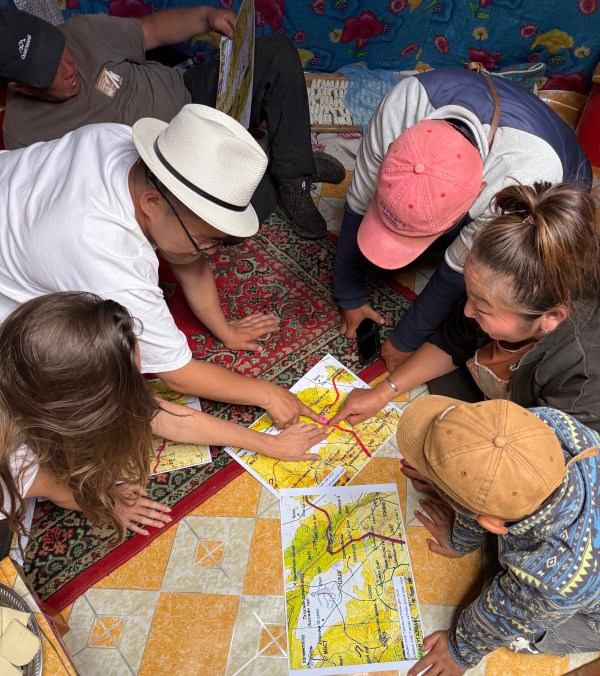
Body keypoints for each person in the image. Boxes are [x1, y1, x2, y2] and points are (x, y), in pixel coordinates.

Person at [0, 104, 330, 447]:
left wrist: (226, 330)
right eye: (205, 240)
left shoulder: (124, 147)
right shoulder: (108, 259)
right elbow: (178, 376)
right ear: (152, 204)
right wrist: (267, 394)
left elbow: (188, 252)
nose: (211, 254)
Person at [1, 292, 328, 543]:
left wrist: (269, 444)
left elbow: (168, 417)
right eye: (132, 373)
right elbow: (64, 491)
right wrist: (109, 504)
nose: (143, 373)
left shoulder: (33, 361)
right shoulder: (12, 464)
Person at [0, 6, 345, 239]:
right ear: (18, 86)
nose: (69, 70)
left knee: (278, 53)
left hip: (189, 94)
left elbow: (150, 30)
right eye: (51, 73)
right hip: (173, 169)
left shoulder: (81, 31)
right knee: (241, 218)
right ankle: (276, 157)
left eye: (63, 52)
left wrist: (206, 17)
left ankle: (293, 175)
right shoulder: (24, 137)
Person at [332, 67, 592, 369]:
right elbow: (357, 205)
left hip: (555, 189)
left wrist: (404, 342)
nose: (471, 311)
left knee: (489, 288)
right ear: (393, 149)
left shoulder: (522, 178)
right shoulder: (401, 107)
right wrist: (349, 296)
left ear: (480, 193)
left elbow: (455, 272)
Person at [331, 181, 600, 432]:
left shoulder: (582, 380)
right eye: (469, 295)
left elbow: (547, 456)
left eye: (483, 308)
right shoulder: (501, 291)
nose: (467, 311)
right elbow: (453, 340)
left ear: (551, 317)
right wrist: (382, 392)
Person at [396, 394, 600, 676]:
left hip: (585, 606)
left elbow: (504, 614)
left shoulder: (557, 581)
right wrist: (448, 479)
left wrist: (460, 648)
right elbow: (482, 501)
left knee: (522, 632)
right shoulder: (549, 423)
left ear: (492, 524)